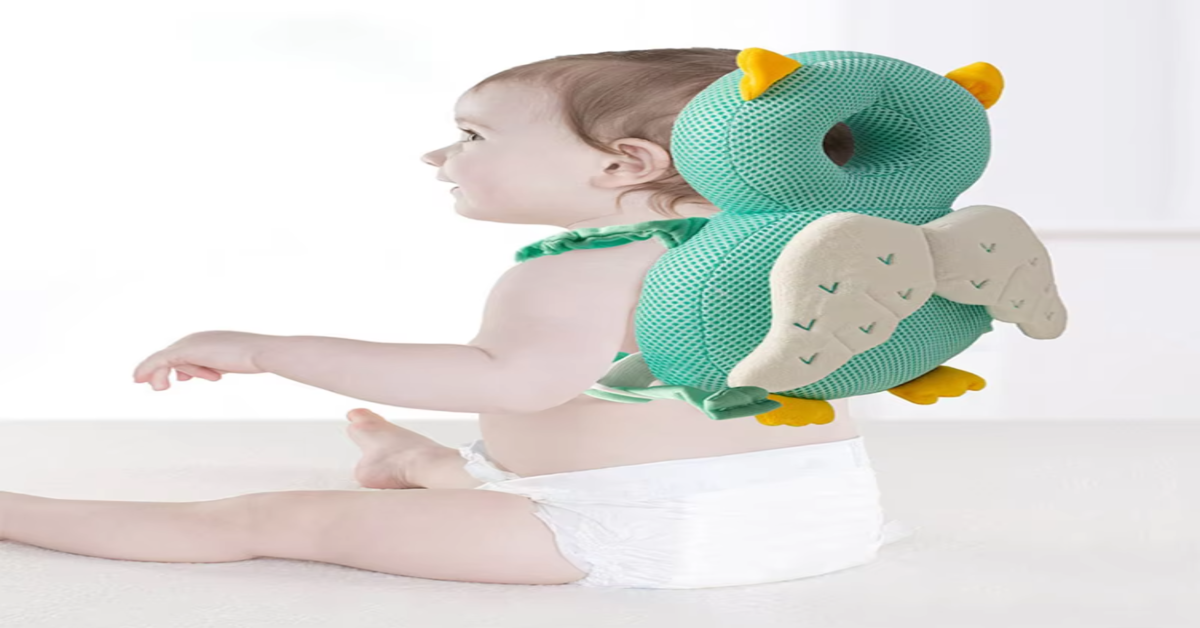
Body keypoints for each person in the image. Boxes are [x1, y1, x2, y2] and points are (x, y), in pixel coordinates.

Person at [1, 48, 896, 589]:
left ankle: (14, 512)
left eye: (473, 136)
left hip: (644, 528)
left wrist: (267, 350)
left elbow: (512, 382)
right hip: (828, 511)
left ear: (624, 164)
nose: (440, 155)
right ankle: (424, 466)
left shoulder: (580, 272)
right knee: (491, 471)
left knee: (268, 519)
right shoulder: (796, 252)